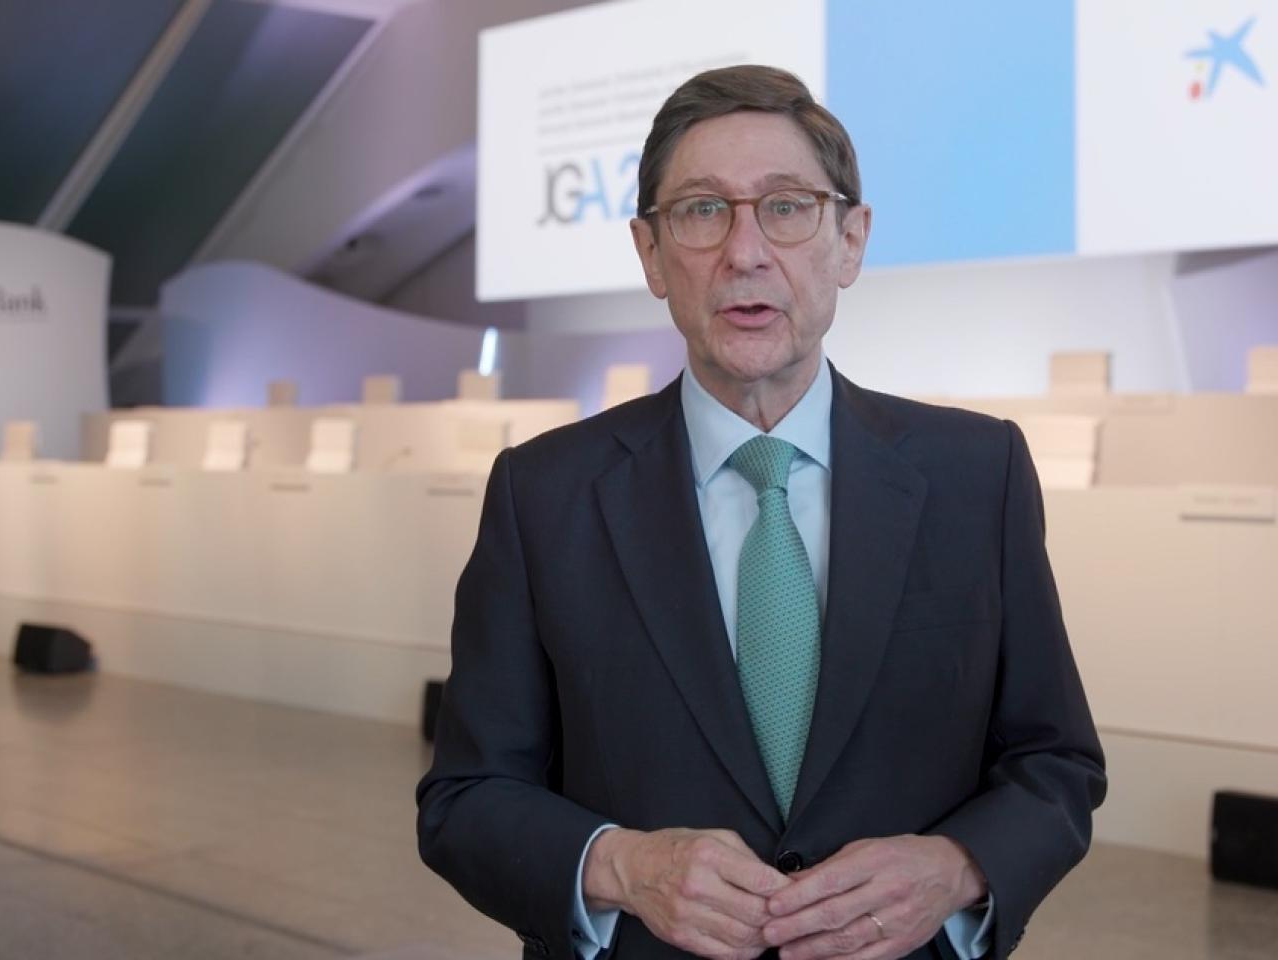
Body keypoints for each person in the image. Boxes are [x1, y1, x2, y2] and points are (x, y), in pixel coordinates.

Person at [417, 64, 1105, 960]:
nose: (744, 252)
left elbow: (1056, 763)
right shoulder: (543, 493)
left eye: (786, 207)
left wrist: (955, 868)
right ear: (651, 254)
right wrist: (622, 866)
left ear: (850, 242)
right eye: (702, 210)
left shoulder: (979, 474)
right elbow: (465, 799)